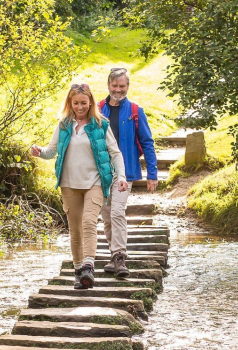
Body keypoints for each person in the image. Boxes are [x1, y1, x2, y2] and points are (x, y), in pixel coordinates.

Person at [31, 83, 127, 289]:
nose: (80, 107)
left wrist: (121, 176)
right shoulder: (64, 125)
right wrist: (40, 151)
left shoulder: (101, 125)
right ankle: (78, 272)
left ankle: (88, 267)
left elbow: (115, 153)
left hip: (95, 181)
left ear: (90, 102)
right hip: (68, 183)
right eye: (76, 103)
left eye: (84, 103)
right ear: (70, 103)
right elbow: (51, 151)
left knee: (89, 222)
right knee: (74, 230)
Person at [98, 67, 158, 279]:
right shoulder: (97, 110)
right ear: (108, 85)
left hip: (126, 172)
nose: (118, 90)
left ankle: (120, 256)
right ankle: (114, 255)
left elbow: (147, 143)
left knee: (116, 212)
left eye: (122, 86)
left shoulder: (134, 111)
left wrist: (152, 173)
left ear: (127, 87)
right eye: (114, 86)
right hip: (101, 173)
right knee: (106, 217)